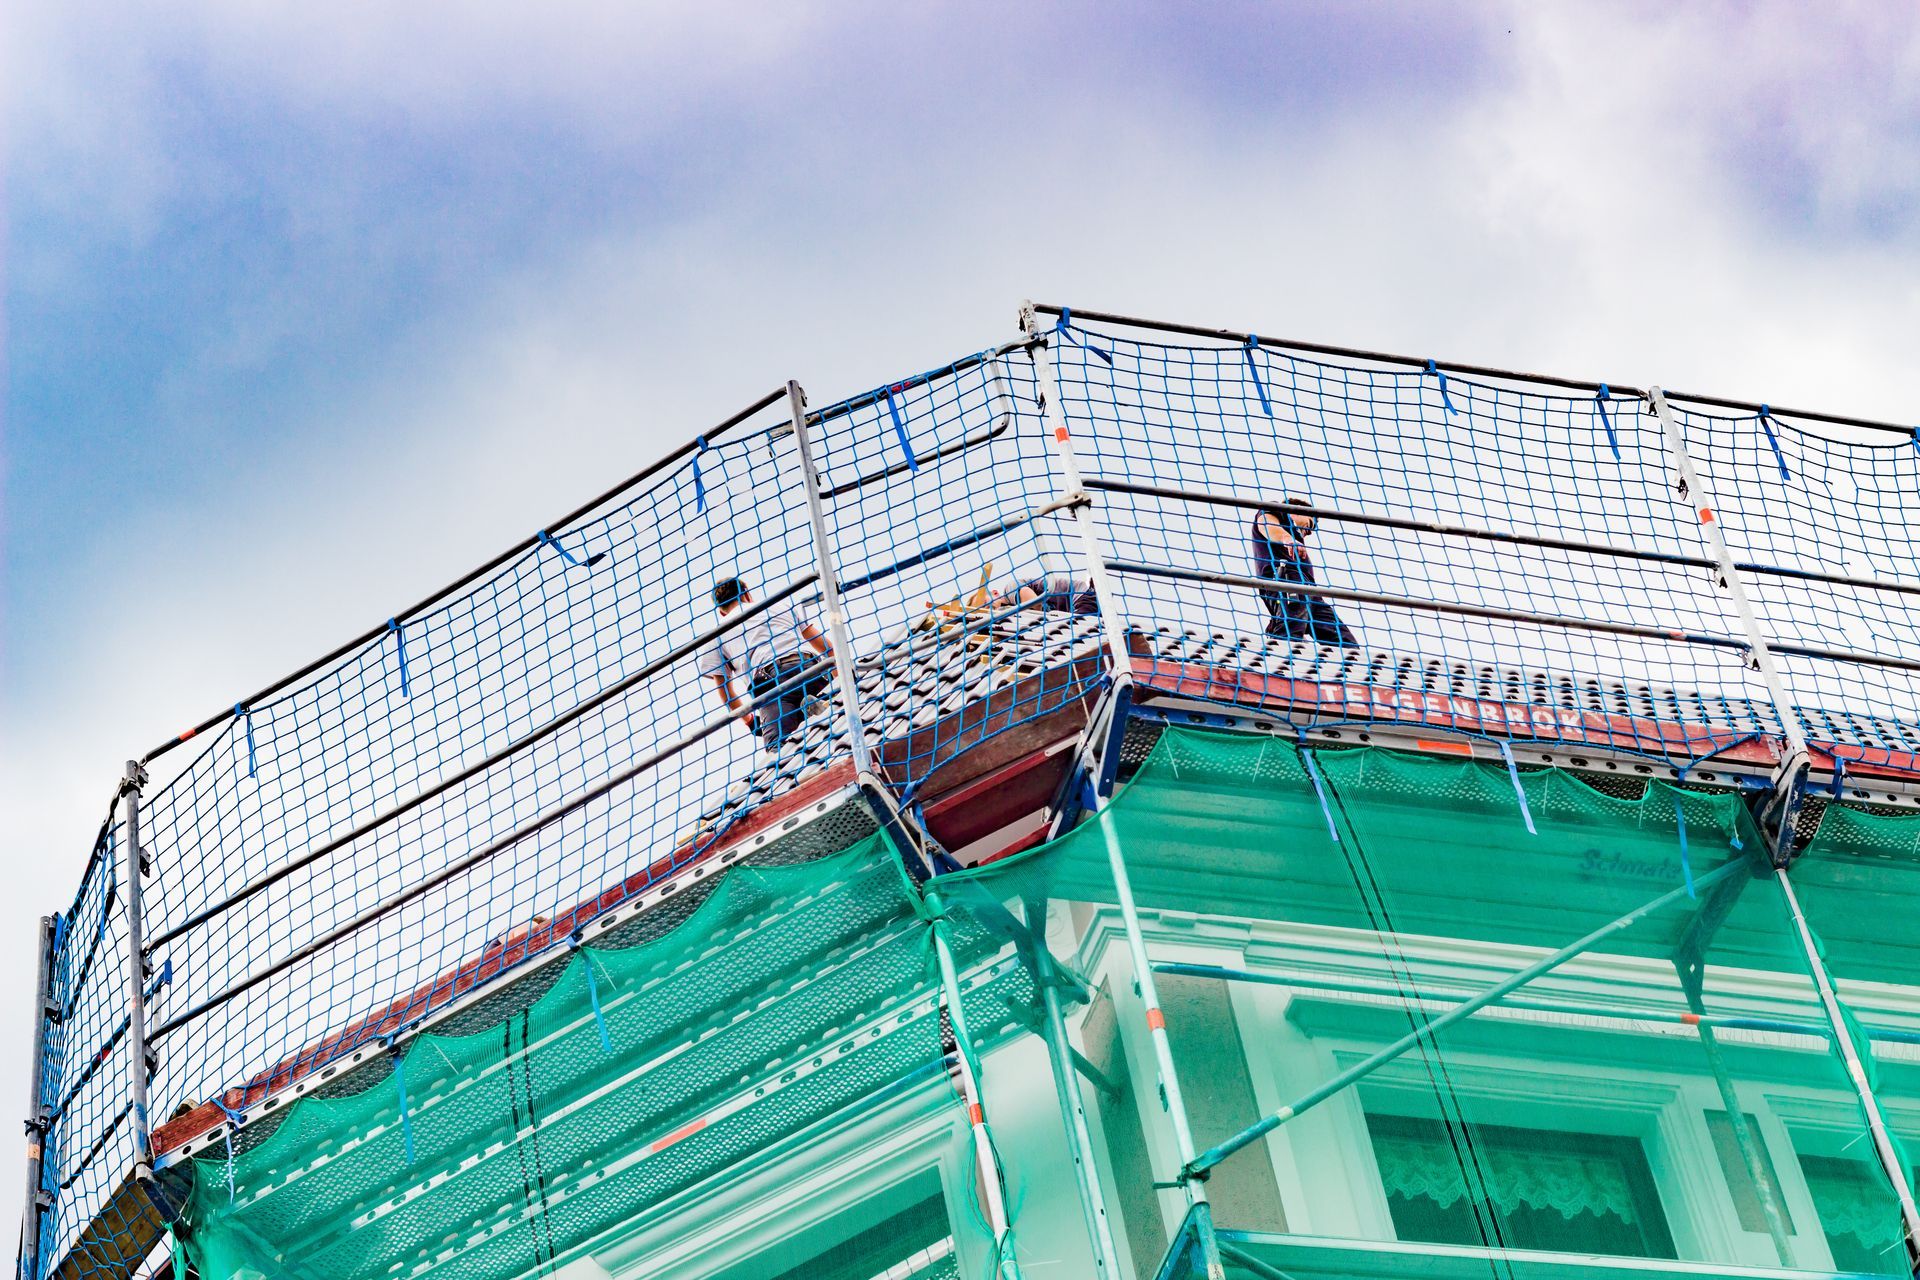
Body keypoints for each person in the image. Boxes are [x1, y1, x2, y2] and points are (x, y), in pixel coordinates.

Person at [701, 578, 834, 753]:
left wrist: (750, 722)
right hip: (808, 667)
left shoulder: (716, 636)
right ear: (747, 594)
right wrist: (841, 681)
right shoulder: (779, 606)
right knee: (838, 712)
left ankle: (804, 712)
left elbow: (726, 694)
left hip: (771, 686)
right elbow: (828, 648)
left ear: (721, 612)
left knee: (779, 752)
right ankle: (816, 705)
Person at [1250, 496, 1356, 646]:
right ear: (1299, 510)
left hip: (1310, 593)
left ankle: (1349, 664)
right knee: (1291, 628)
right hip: (1287, 579)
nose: (1311, 531)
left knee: (1345, 641)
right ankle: (1281, 659)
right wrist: (1287, 539)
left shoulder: (1296, 538)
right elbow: (1266, 524)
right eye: (1311, 523)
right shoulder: (1279, 510)